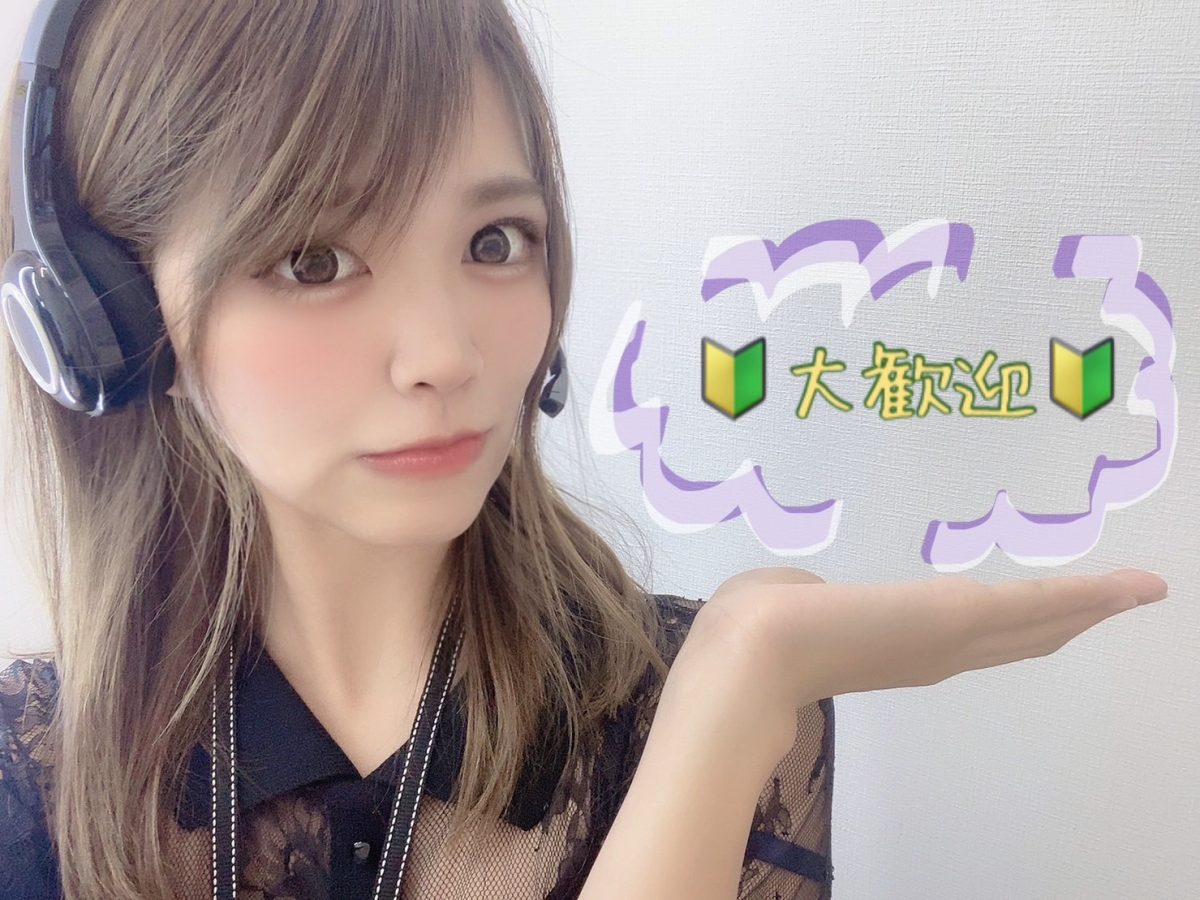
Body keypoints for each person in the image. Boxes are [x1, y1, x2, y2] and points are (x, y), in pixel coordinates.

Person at [0, 1, 1169, 899]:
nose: (446, 352)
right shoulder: (30, 769)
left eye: (494, 241)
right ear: (113, 317)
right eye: (314, 260)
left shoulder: (701, 707)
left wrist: (734, 697)